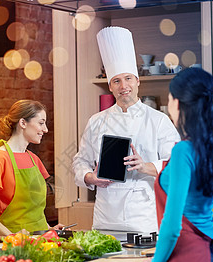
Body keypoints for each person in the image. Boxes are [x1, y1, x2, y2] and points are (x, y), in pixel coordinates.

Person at [73, 26, 180, 233]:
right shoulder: (96, 121)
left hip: (144, 218)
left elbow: (175, 164)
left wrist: (145, 166)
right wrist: (89, 177)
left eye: (128, 78)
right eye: (116, 81)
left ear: (138, 81)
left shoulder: (159, 120)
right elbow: (80, 160)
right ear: (110, 86)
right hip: (105, 218)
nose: (124, 86)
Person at [144, 67, 213, 262]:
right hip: (211, 257)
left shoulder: (183, 152)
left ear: (177, 103)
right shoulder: (211, 148)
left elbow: (173, 224)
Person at [0, 100, 64, 236]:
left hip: (41, 238)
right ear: (23, 123)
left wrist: (49, 228)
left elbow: (33, 208)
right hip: (12, 244)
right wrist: (10, 237)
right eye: (41, 123)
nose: (45, 130)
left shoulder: (33, 159)